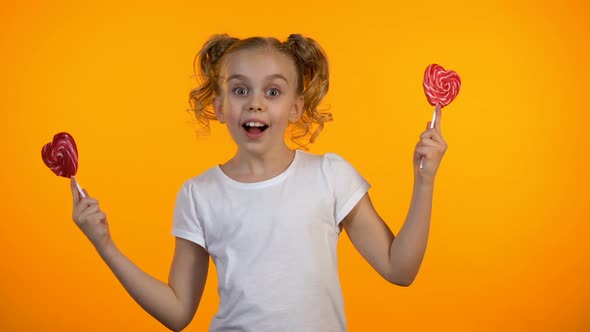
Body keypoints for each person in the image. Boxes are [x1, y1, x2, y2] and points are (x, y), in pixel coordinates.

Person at [70, 33, 448, 332]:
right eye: (239, 90)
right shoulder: (198, 194)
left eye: (272, 91)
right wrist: (105, 245)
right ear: (219, 107)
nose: (255, 103)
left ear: (295, 108)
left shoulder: (330, 176)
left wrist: (424, 181)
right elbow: (178, 313)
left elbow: (400, 271)